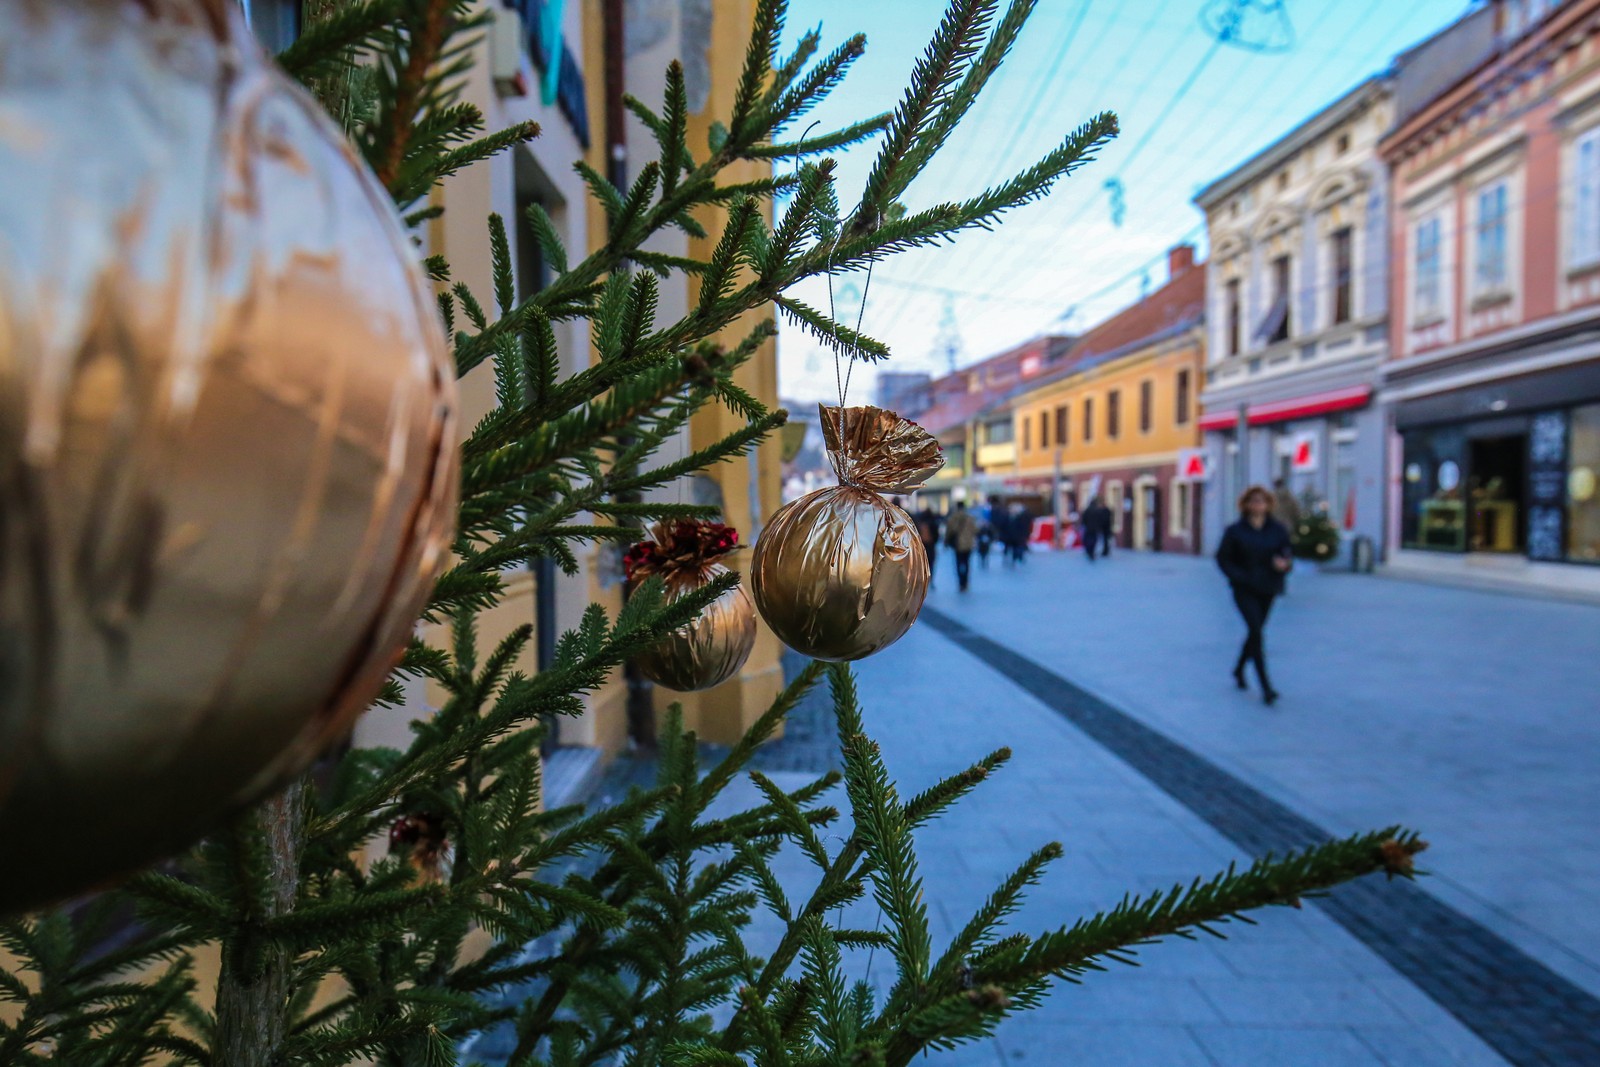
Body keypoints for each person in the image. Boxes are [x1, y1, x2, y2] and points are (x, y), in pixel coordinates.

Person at [1215, 485, 1294, 706]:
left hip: (1269, 587)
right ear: (1246, 505)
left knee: (1255, 632)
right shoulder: (1235, 530)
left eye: (1262, 501)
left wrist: (1284, 564)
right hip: (1244, 588)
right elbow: (1223, 559)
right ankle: (1266, 687)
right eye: (1254, 501)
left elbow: (1286, 552)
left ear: (1269, 504)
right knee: (1257, 632)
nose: (1258, 504)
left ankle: (1239, 669)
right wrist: (1238, 576)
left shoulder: (1277, 529)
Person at [944, 501, 979, 592]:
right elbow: (975, 530)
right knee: (967, 563)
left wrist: (946, 542)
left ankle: (960, 582)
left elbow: (949, 531)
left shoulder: (953, 518)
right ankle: (965, 582)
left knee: (958, 563)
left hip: (957, 544)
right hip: (968, 544)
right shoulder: (970, 518)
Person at [914, 504, 941, 587]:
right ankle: (930, 578)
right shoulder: (933, 523)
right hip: (931, 545)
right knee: (931, 563)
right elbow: (936, 535)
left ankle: (924, 578)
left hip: (922, 546)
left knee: (923, 563)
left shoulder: (920, 523)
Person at [1081, 496, 1113, 562]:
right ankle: (1092, 552)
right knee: (1094, 540)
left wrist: (1085, 525)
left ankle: (1089, 551)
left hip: (1089, 528)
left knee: (1088, 539)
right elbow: (1100, 519)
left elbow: (1084, 519)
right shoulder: (1097, 510)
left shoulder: (1088, 510)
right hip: (1095, 528)